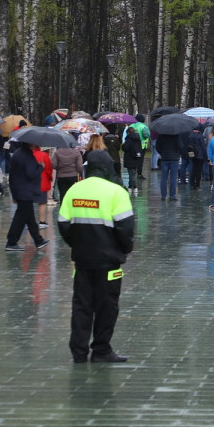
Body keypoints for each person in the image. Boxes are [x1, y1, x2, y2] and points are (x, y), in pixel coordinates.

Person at [57, 150, 133, 363]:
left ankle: (79, 352)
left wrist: (77, 244)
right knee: (107, 306)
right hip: (109, 263)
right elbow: (126, 229)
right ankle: (101, 349)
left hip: (82, 260)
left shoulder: (74, 190)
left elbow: (63, 223)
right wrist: (122, 250)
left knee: (81, 306)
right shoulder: (116, 192)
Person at [5, 141, 50, 251]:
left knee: (28, 217)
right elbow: (31, 174)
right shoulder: (27, 155)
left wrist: (14, 193)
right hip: (25, 191)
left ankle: (38, 240)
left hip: (20, 190)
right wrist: (40, 167)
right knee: (22, 217)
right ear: (31, 143)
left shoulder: (18, 153)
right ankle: (11, 242)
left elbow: (13, 174)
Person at [155, 130, 183, 201]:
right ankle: (172, 196)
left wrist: (162, 153)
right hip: (174, 158)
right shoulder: (176, 135)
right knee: (173, 178)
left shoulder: (161, 135)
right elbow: (180, 146)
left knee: (164, 178)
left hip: (164, 158)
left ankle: (163, 195)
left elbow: (157, 147)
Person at [122, 119, 147, 194]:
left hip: (129, 158)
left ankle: (133, 187)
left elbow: (125, 148)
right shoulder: (138, 139)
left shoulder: (128, 139)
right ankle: (132, 187)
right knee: (134, 172)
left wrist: (123, 146)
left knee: (131, 173)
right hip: (136, 158)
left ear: (128, 132)